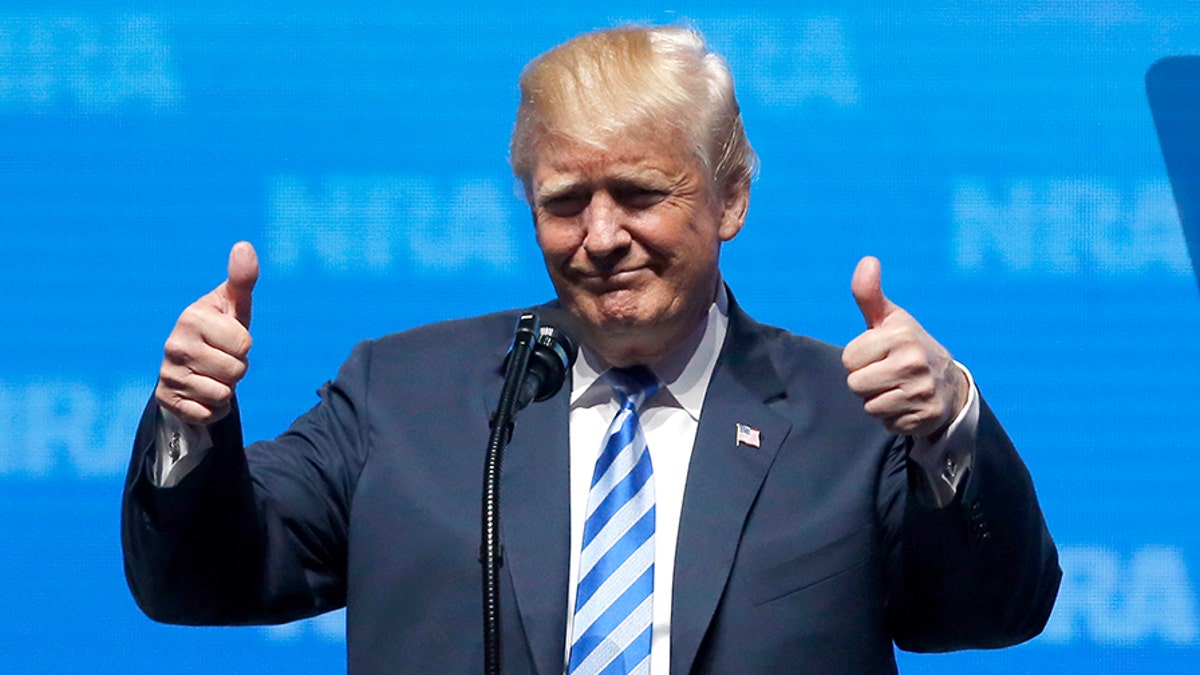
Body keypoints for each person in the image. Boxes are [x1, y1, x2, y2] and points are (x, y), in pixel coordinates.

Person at [122, 25, 1060, 673]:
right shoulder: (401, 394)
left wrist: (952, 428)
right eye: (566, 201)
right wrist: (189, 423)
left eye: (641, 194)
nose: (601, 236)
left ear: (730, 198)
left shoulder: (850, 416)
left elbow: (994, 611)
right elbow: (200, 579)